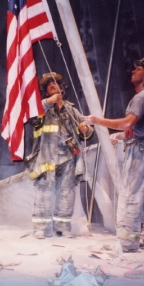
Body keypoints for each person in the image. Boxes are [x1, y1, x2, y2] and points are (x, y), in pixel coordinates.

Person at [83, 52, 144, 252]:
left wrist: (98, 121)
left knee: (130, 194)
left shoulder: (142, 97)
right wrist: (121, 136)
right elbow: (141, 129)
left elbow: (128, 122)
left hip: (139, 152)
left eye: (138, 69)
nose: (133, 71)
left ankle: (127, 243)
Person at [25, 72, 93, 239]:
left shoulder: (71, 109)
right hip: (47, 157)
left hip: (68, 158)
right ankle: (41, 228)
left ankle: (62, 227)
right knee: (44, 192)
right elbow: (31, 117)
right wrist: (48, 102)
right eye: (48, 85)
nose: (52, 86)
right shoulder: (41, 108)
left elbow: (87, 130)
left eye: (55, 83)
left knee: (66, 193)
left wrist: (85, 129)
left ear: (62, 88)